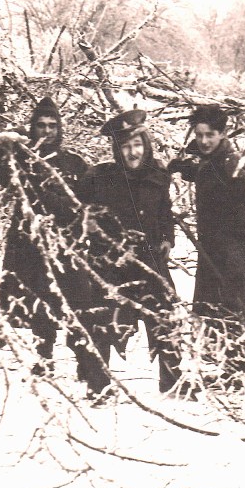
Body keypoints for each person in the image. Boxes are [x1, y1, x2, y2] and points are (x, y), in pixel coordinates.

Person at [75, 109, 181, 396]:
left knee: (164, 316)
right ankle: (98, 385)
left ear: (146, 145)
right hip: (113, 262)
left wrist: (168, 239)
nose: (133, 152)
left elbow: (164, 211)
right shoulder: (99, 179)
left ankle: (173, 382)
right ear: (117, 149)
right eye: (125, 146)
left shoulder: (158, 175)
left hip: (150, 260)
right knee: (104, 319)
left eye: (137, 145)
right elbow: (80, 212)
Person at [168, 105, 245, 389]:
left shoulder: (234, 168)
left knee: (233, 311)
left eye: (210, 135)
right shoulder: (215, 162)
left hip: (232, 255)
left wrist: (235, 261)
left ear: (223, 133)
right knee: (219, 314)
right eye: (199, 135)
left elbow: (244, 218)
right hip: (214, 252)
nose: (204, 141)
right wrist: (184, 168)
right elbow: (207, 173)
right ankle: (232, 369)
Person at [0, 97, 89, 374]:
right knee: (38, 302)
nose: (47, 131)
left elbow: (82, 205)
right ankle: (44, 356)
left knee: (74, 304)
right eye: (41, 125)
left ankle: (85, 365)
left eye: (52, 125)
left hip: (65, 243)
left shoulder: (73, 163)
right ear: (32, 128)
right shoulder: (19, 162)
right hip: (30, 244)